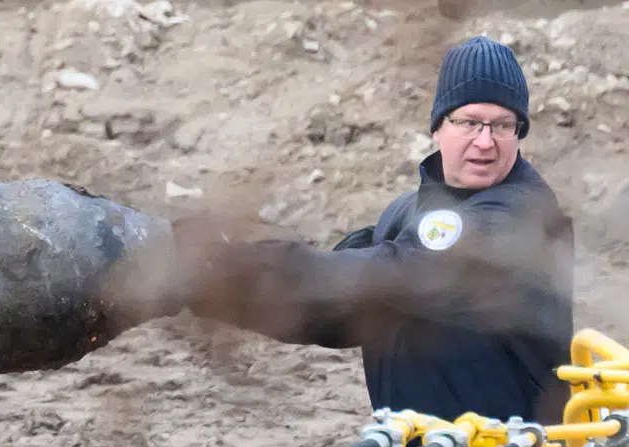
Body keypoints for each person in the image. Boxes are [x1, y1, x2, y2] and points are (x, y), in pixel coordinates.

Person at [177, 35, 575, 425]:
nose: (486, 142)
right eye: (470, 122)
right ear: (438, 127)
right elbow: (335, 305)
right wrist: (211, 285)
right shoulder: (405, 215)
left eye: (502, 126)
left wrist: (232, 265)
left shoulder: (520, 217)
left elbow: (389, 278)